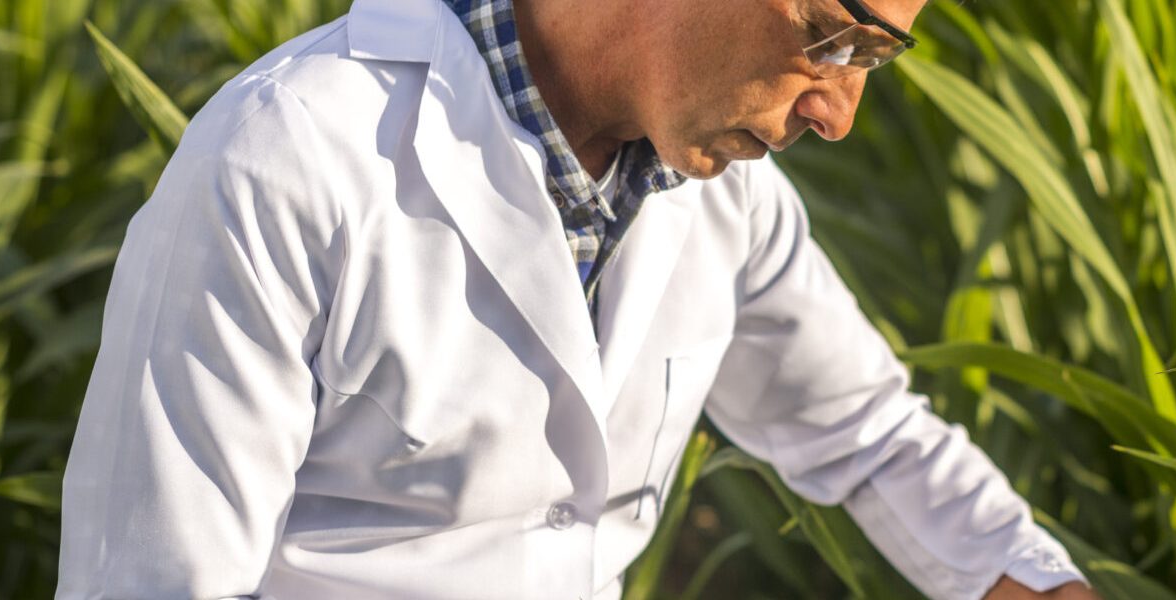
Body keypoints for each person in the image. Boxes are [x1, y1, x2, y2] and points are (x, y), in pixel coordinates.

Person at [57, 0, 1098, 597]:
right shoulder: (289, 159)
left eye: (876, 57)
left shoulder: (725, 201)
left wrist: (1036, 582)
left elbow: (867, 433)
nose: (837, 113)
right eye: (832, 34)